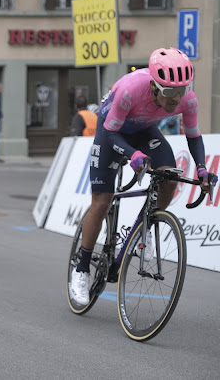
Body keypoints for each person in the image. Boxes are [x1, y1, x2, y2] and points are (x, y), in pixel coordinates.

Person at [69, 47, 216, 306]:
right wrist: (132, 155)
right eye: (169, 92)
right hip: (111, 132)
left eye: (181, 90)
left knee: (169, 178)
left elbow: (193, 136)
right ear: (153, 86)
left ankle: (143, 227)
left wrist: (202, 168)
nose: (175, 99)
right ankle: (81, 269)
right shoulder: (130, 89)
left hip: (143, 131)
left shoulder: (187, 99)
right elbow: (112, 133)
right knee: (102, 202)